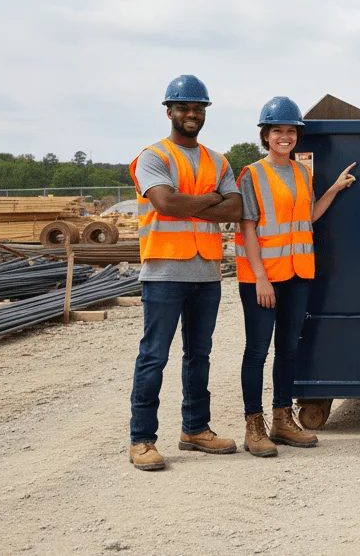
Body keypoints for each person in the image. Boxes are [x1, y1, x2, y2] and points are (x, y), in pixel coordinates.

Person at [128, 75, 244, 472]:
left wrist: (190, 203)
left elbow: (234, 209)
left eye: (199, 109)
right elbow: (164, 204)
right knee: (154, 357)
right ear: (170, 111)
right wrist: (213, 197)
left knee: (199, 356)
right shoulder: (153, 157)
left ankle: (196, 429)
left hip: (206, 273)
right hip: (163, 272)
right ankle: (142, 439)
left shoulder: (218, 160)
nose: (192, 114)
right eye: (184, 108)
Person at [236, 96, 357, 457]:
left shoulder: (303, 172)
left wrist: (334, 188)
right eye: (277, 131)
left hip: (297, 274)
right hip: (264, 278)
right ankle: (253, 426)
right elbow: (247, 229)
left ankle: (282, 420)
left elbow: (308, 218)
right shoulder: (252, 174)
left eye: (290, 131)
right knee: (257, 351)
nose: (285, 137)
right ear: (266, 135)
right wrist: (260, 278)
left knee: (288, 350)